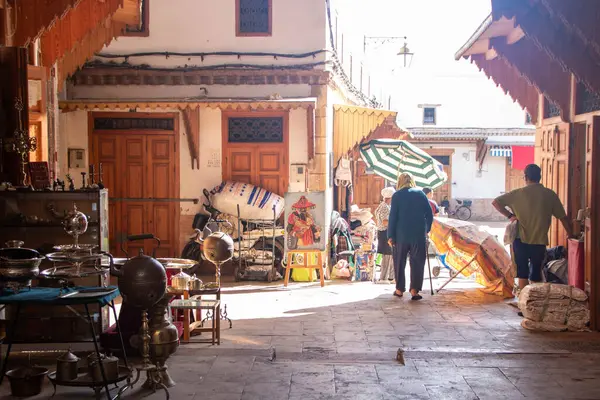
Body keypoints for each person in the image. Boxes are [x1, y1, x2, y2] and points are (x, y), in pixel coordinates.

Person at [492, 164, 573, 291]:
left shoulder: (518, 193)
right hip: (539, 241)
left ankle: (523, 305)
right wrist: (571, 235)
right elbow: (563, 217)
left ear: (526, 177)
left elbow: (496, 202)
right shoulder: (550, 195)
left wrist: (510, 216)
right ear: (539, 177)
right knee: (536, 273)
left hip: (520, 240)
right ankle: (534, 304)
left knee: (522, 273)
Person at [387, 173, 434, 300]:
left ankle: (399, 289)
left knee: (399, 261)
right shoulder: (421, 194)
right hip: (418, 234)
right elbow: (429, 214)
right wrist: (427, 230)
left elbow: (393, 217)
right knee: (417, 262)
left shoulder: (397, 195)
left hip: (400, 234)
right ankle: (414, 290)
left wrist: (390, 235)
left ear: (400, 182)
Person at [375, 187, 396, 282]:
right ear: (390, 198)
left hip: (385, 233)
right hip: (384, 233)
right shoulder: (384, 207)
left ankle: (391, 276)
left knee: (390, 255)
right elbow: (385, 222)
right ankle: (383, 277)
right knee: (387, 256)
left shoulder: (385, 206)